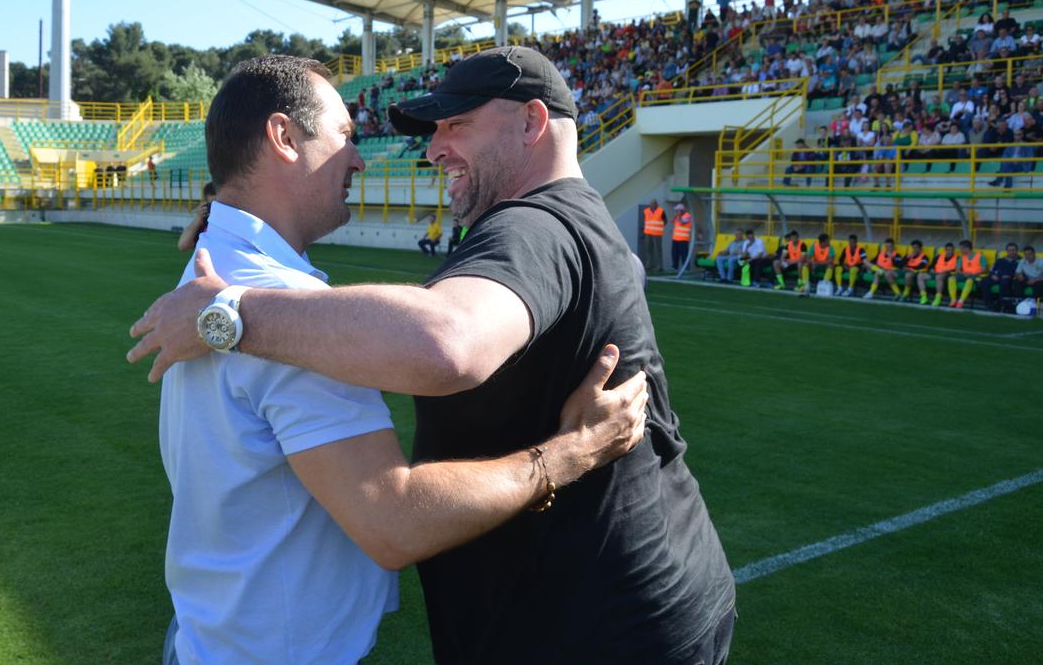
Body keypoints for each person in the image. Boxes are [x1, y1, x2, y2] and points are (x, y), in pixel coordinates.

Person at [130, 46, 737, 663]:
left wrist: (231, 313)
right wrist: (565, 452)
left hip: (596, 629)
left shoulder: (235, 292)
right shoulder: (255, 285)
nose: (427, 149)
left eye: (456, 125)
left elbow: (445, 343)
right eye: (346, 134)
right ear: (283, 138)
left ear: (531, 123)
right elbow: (393, 516)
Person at [176, 181, 216, 252]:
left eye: (218, 204)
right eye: (212, 204)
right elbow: (183, 245)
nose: (216, 208)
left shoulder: (234, 220)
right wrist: (198, 218)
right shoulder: (205, 222)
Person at [981, 243, 1020, 311]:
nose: (1011, 252)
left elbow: (1019, 272)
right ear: (1006, 251)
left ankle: (1000, 305)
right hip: (997, 277)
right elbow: (992, 270)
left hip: (1009, 278)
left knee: (1004, 283)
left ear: (1017, 251)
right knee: (984, 281)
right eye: (1009, 250)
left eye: (1013, 250)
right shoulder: (1000, 260)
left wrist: (1010, 276)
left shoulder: (1020, 261)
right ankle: (989, 304)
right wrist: (992, 275)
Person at [919, 242, 959, 307]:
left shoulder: (957, 258)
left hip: (947, 274)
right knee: (920, 275)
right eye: (948, 250)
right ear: (945, 250)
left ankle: (938, 297)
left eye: (951, 250)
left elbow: (957, 269)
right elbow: (931, 265)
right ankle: (923, 296)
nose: (949, 251)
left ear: (953, 250)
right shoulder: (939, 256)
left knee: (939, 277)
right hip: (936, 273)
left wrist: (947, 271)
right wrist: (932, 269)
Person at [949, 239, 986, 309]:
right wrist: (964, 273)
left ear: (967, 248)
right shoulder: (961, 257)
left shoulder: (980, 256)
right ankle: (953, 299)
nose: (960, 250)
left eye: (961, 249)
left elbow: (984, 269)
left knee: (969, 281)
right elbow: (957, 269)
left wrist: (973, 274)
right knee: (951, 278)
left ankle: (961, 301)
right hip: (964, 275)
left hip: (976, 276)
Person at [640, 199, 666, 273]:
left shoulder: (661, 211)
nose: (652, 205)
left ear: (656, 204)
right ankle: (648, 265)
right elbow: (645, 220)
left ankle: (660, 266)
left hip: (657, 233)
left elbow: (665, 221)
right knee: (648, 249)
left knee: (658, 250)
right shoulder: (646, 211)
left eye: (654, 203)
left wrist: (659, 227)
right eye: (651, 203)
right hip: (648, 233)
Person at [671, 202, 693, 272]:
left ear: (681, 210)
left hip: (683, 239)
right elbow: (673, 222)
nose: (676, 212)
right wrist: (677, 216)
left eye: (678, 210)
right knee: (674, 253)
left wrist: (679, 216)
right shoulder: (677, 216)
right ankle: (675, 266)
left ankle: (686, 267)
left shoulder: (688, 216)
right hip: (675, 238)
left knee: (684, 254)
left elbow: (682, 222)